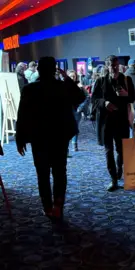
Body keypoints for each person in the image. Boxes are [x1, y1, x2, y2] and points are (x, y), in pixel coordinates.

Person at [15, 56, 85, 222]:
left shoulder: (30, 89)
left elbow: (22, 115)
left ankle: (47, 208)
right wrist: (67, 78)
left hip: (39, 138)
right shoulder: (62, 87)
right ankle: (58, 206)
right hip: (60, 137)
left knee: (43, 174)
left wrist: (20, 138)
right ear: (54, 69)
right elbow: (80, 97)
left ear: (38, 70)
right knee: (60, 172)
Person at [91, 55, 135, 191]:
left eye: (115, 65)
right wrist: (104, 103)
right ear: (107, 66)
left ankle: (119, 168)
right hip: (106, 122)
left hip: (121, 120)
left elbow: (132, 98)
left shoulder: (126, 80)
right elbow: (94, 99)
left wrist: (125, 95)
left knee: (121, 151)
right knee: (108, 151)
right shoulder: (100, 81)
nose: (114, 68)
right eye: (111, 65)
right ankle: (114, 179)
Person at [67, 70, 90, 152]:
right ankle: (66, 148)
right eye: (71, 76)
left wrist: (81, 107)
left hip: (77, 110)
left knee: (75, 127)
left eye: (74, 76)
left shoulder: (79, 86)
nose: (72, 78)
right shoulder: (64, 85)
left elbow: (87, 97)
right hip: (67, 110)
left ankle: (74, 144)